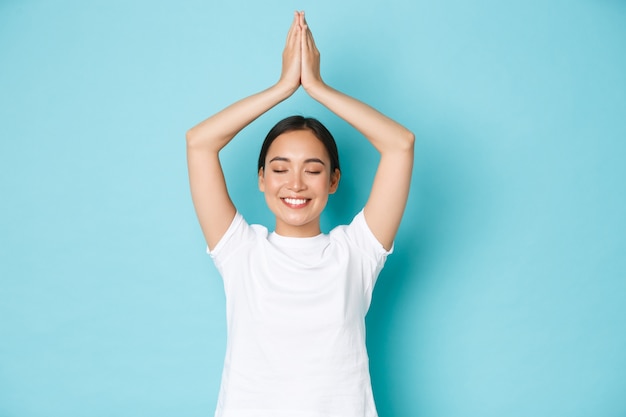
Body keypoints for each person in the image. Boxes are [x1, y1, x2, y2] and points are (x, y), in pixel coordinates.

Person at [186, 11, 414, 417]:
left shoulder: (357, 251)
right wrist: (283, 87)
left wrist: (317, 88)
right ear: (261, 179)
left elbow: (400, 145)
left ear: (333, 181)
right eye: (279, 169)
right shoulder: (240, 250)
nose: (295, 183)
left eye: (312, 170)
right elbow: (199, 142)